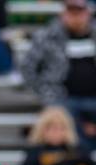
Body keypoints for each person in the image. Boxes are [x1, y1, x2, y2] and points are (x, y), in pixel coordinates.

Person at [21, 0, 96, 149]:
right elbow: (27, 67)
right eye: (71, 12)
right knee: (63, 119)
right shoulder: (47, 36)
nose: (76, 17)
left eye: (79, 12)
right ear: (63, 14)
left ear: (88, 13)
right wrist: (45, 92)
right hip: (62, 98)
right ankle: (81, 159)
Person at [16, 106, 94, 165]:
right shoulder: (34, 154)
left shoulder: (79, 151)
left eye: (61, 128)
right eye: (51, 128)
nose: (56, 132)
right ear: (42, 130)